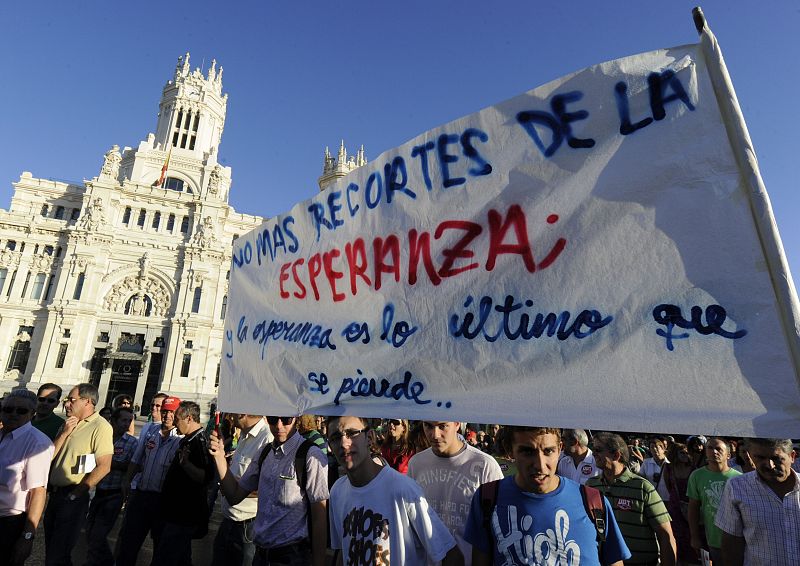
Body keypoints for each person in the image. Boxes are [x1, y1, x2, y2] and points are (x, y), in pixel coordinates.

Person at [464, 426, 630, 566]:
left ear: (560, 448)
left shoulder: (593, 501)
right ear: (510, 451)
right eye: (527, 452)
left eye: (548, 451)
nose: (540, 465)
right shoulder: (487, 498)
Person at [327, 415, 464, 565]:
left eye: (352, 433)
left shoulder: (403, 489)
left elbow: (451, 554)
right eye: (335, 437)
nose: (343, 443)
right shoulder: (337, 492)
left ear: (370, 437)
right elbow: (343, 550)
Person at [210, 415, 329, 566]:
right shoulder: (264, 453)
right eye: (273, 419)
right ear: (267, 419)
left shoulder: (311, 455)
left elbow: (319, 518)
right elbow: (234, 495)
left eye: (286, 419)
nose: (279, 426)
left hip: (292, 556)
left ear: (296, 418)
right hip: (260, 555)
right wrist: (219, 455)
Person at [407, 420, 503, 564]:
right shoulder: (416, 464)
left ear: (457, 424)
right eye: (428, 426)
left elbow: (498, 528)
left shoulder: (485, 466)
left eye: (443, 426)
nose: (435, 435)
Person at [45, 383, 114, 566]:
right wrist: (65, 433)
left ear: (87, 402)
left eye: (71, 400)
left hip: (73, 496)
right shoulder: (69, 423)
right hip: (55, 495)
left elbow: (104, 466)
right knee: (51, 551)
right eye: (67, 400)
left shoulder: (101, 427)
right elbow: (48, 457)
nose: (66, 404)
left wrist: (77, 494)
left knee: (58, 555)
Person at [587, 432, 676, 566]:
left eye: (598, 450)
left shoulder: (643, 487)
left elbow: (666, 535)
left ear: (616, 455)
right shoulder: (591, 485)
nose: (593, 453)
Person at [115, 395, 182, 566]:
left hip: (163, 500)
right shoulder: (151, 430)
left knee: (161, 547)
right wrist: (127, 482)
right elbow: (137, 459)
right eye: (165, 411)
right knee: (129, 542)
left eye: (171, 412)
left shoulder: (180, 439)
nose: (167, 416)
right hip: (142, 495)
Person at [715, 437, 800, 566]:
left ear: (792, 456)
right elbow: (732, 542)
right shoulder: (737, 487)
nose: (769, 465)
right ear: (750, 456)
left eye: (776, 458)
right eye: (760, 458)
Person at [153, 401, 215, 564]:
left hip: (183, 514)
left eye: (177, 419)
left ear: (189, 418)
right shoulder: (187, 439)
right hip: (174, 512)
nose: (174, 423)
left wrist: (186, 464)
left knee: (166, 557)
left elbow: (205, 477)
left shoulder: (200, 442)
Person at [0, 389, 54, 565]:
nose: (13, 414)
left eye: (21, 411)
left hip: (8, 524)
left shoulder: (38, 443)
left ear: (32, 413)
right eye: (8, 409)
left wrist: (28, 536)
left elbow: (38, 492)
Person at [211, 414, 273, 566]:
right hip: (229, 520)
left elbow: (270, 487)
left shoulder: (267, 438)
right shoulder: (244, 434)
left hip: (248, 526)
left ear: (242, 413)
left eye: (233, 411)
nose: (230, 416)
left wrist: (234, 487)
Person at [84, 406, 137, 566]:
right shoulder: (102, 438)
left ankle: (95, 563)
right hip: (96, 491)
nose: (127, 424)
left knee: (98, 535)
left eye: (129, 421)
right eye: (123, 420)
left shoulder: (132, 443)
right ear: (113, 421)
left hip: (114, 494)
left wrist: (107, 463)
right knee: (89, 531)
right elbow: (89, 458)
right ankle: (104, 561)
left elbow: (133, 466)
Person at [686, 437, 740, 564]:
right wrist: (694, 537)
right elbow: (693, 508)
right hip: (713, 540)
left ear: (728, 455)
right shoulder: (696, 476)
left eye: (718, 449)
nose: (714, 452)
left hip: (738, 540)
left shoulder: (739, 478)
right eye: (710, 448)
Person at [660, 442, 699, 564]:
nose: (685, 455)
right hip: (675, 506)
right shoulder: (668, 468)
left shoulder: (694, 468)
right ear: (674, 454)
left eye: (687, 452)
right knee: (677, 536)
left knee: (692, 534)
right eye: (682, 452)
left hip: (692, 506)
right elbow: (669, 486)